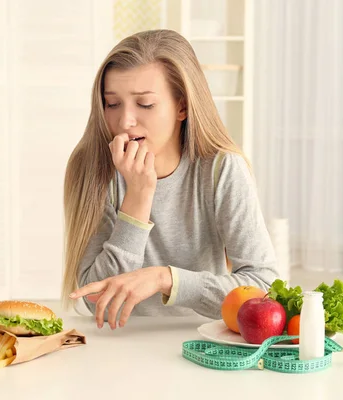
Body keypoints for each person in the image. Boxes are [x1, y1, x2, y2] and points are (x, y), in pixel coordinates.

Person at [62, 29, 278, 330]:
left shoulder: (222, 169)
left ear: (182, 106)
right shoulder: (93, 168)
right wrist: (137, 199)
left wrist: (166, 279)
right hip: (115, 345)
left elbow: (264, 288)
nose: (125, 121)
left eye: (145, 104)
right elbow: (93, 297)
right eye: (112, 104)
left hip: (204, 342)